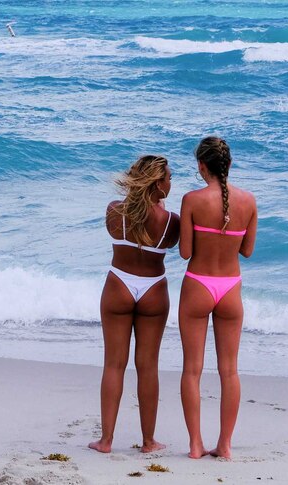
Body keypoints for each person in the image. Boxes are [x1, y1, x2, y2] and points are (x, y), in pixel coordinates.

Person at [89, 155, 180, 454]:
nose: (171, 182)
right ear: (157, 183)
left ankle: (106, 441)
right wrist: (161, 209)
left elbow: (131, 225)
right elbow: (168, 242)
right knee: (148, 367)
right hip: (154, 289)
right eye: (168, 177)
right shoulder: (171, 222)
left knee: (114, 365)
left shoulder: (114, 211)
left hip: (118, 285)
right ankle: (149, 441)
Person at [178, 136, 257, 459]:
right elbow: (247, 251)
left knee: (192, 370)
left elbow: (185, 252)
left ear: (201, 166)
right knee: (230, 371)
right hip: (230, 290)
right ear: (230, 164)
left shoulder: (191, 200)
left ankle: (196, 445)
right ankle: (225, 445)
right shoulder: (249, 201)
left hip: (198, 285)